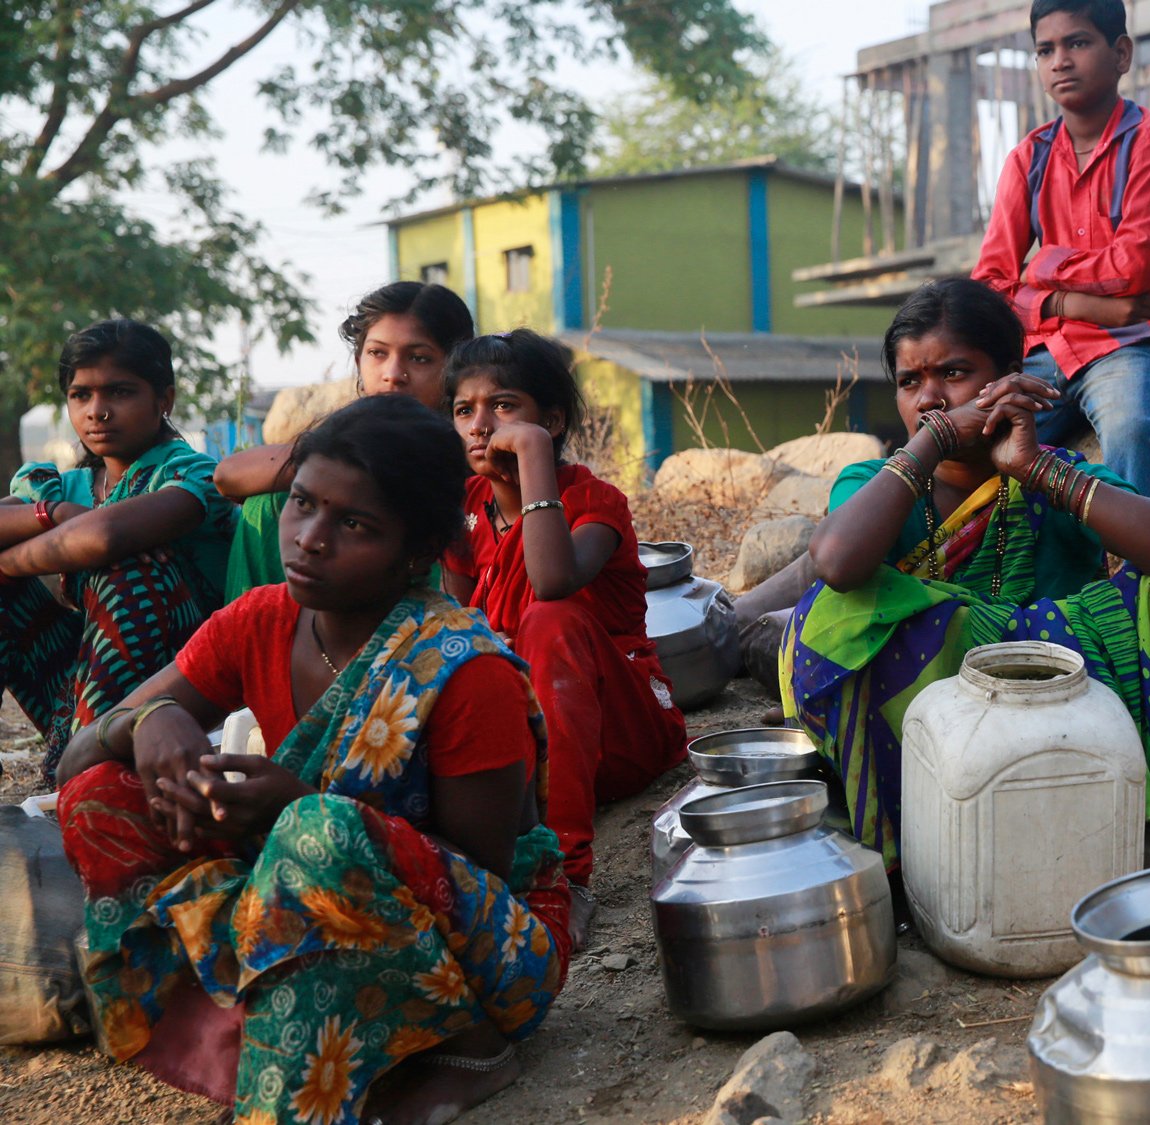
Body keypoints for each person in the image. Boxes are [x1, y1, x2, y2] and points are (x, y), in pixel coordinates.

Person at [53, 395, 569, 1125]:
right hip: (303, 899)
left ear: (416, 550)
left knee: (318, 833)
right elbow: (75, 760)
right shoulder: (261, 619)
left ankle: (462, 1046)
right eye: (302, 504)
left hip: (483, 959)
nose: (309, 539)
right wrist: (149, 721)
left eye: (353, 523)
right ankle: (264, 1028)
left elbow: (482, 878)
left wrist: (297, 806)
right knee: (101, 793)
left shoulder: (461, 668)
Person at [782, 279, 1150, 865]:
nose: (929, 398)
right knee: (829, 612)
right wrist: (935, 439)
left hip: (1063, 703)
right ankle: (909, 846)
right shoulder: (878, 483)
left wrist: (1035, 468)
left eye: (954, 373)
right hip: (930, 728)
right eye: (909, 382)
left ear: (1010, 377)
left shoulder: (1052, 473)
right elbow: (837, 563)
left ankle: (1127, 810)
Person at [441, 330, 685, 892]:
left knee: (550, 620)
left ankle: (564, 873)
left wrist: (530, 459)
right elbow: (454, 630)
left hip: (621, 731)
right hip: (524, 733)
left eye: (503, 406)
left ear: (550, 423)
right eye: (464, 410)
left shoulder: (594, 502)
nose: (481, 424)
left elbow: (551, 582)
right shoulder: (465, 510)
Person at [972, 0, 1150, 501]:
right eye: (1045, 50)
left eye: (1078, 43)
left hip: (1127, 344)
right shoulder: (1028, 157)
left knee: (1131, 428)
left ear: (1121, 54)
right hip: (1044, 349)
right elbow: (988, 284)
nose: (1060, 61)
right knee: (982, 442)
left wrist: (1040, 268)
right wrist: (1068, 303)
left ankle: (1149, 573)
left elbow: (1132, 268)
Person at [0, 320, 237, 783]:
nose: (97, 411)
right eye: (80, 395)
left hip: (183, 697)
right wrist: (57, 514)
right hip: (74, 691)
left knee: (129, 564)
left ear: (164, 400)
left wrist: (10, 560)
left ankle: (89, 770)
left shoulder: (193, 475)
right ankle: (75, 749)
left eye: (120, 392)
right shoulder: (60, 486)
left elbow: (105, 539)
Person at [215, 281, 475, 601]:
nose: (393, 373)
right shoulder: (337, 444)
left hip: (433, 633)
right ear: (358, 363)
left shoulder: (474, 451)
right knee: (268, 506)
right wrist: (357, 454)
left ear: (454, 370)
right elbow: (227, 476)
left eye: (419, 358)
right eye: (377, 353)